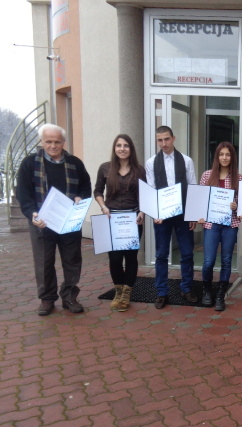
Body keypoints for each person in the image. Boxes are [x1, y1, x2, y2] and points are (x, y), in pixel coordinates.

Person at [16, 124, 92, 316]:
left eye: (57, 142)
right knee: (44, 262)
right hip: (41, 223)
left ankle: (69, 296)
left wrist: (81, 197)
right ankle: (47, 299)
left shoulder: (75, 163)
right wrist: (32, 213)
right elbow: (23, 193)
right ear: (41, 141)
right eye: (48, 141)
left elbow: (85, 185)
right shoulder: (29, 163)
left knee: (72, 260)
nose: (53, 145)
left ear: (63, 142)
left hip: (69, 222)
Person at [145, 125, 198, 309]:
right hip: (162, 216)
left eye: (166, 139)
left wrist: (193, 215)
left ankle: (187, 288)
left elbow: (193, 187)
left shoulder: (187, 160)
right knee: (161, 254)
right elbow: (151, 189)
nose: (164, 143)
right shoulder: (151, 162)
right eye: (160, 140)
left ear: (173, 138)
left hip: (183, 214)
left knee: (187, 253)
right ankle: (162, 292)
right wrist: (155, 213)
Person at [94, 134, 146, 312]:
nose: (122, 149)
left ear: (131, 149)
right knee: (115, 259)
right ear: (114, 148)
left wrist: (142, 211)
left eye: (126, 146)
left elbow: (145, 194)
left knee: (131, 257)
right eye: (119, 145)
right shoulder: (105, 168)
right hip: (112, 219)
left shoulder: (139, 170)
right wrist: (103, 207)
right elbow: (97, 191)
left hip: (133, 219)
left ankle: (126, 294)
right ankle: (118, 290)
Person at [198, 142, 242, 311]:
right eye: (221, 154)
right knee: (208, 261)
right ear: (217, 156)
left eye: (228, 154)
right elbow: (201, 198)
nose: (224, 158)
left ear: (232, 157)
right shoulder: (207, 176)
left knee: (226, 260)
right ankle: (207, 290)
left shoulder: (239, 178)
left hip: (230, 224)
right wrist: (199, 215)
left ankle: (220, 294)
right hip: (211, 224)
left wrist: (236, 206)